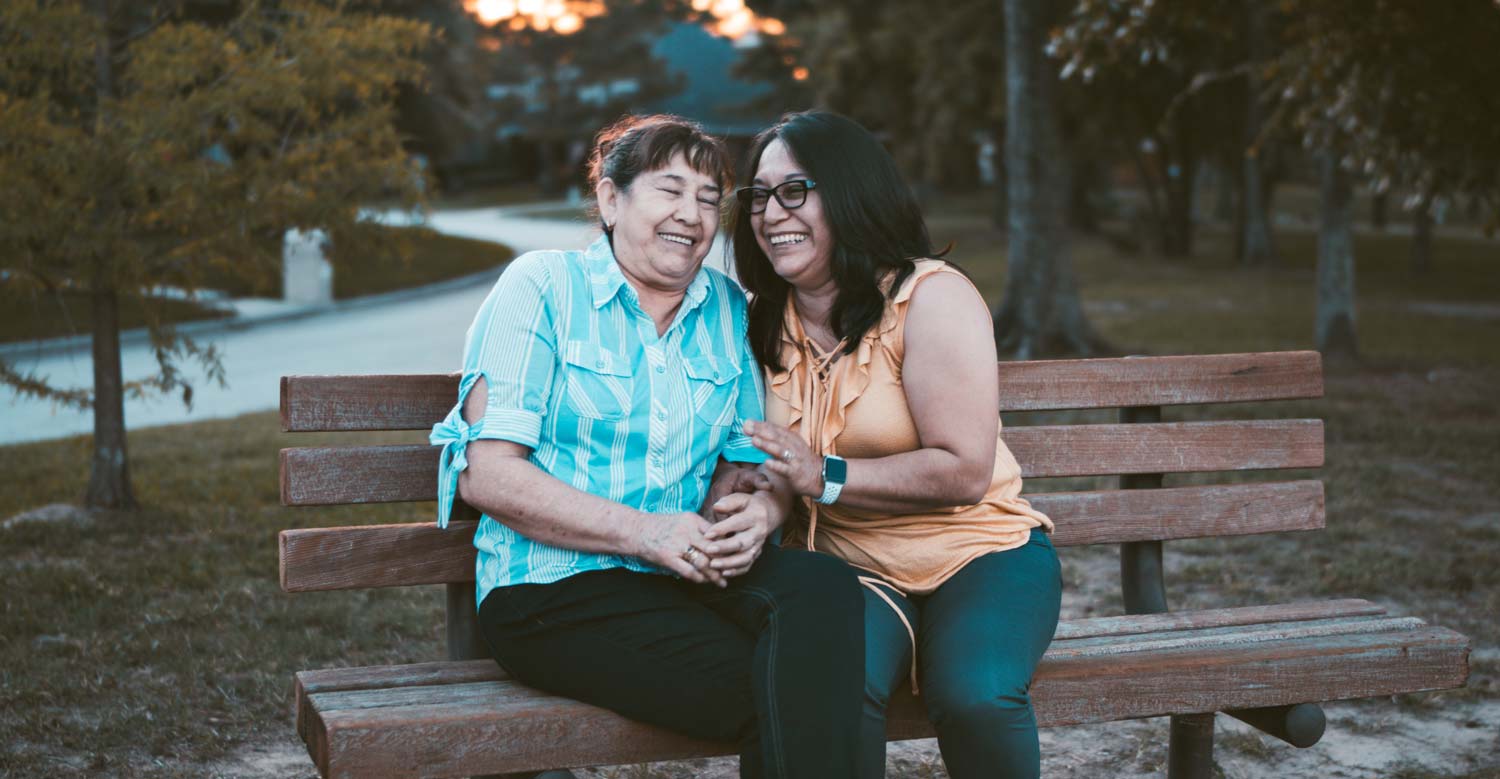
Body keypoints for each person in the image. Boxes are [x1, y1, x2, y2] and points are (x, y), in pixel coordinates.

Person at [429, 115, 864, 779]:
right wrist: (644, 532)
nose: (691, 215)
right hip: (551, 591)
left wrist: (755, 510)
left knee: (824, 588)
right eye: (670, 190)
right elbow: (488, 477)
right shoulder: (543, 288)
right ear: (611, 199)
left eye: (709, 198)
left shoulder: (727, 308)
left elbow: (746, 461)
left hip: (681, 575)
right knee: (789, 688)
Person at [730, 111, 1063, 779]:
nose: (770, 213)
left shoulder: (930, 298)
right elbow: (767, 463)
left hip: (981, 554)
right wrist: (757, 507)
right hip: (849, 568)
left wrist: (821, 474)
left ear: (852, 192)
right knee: (823, 693)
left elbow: (964, 470)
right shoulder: (757, 319)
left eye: (794, 189)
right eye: (759, 195)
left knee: (976, 696)